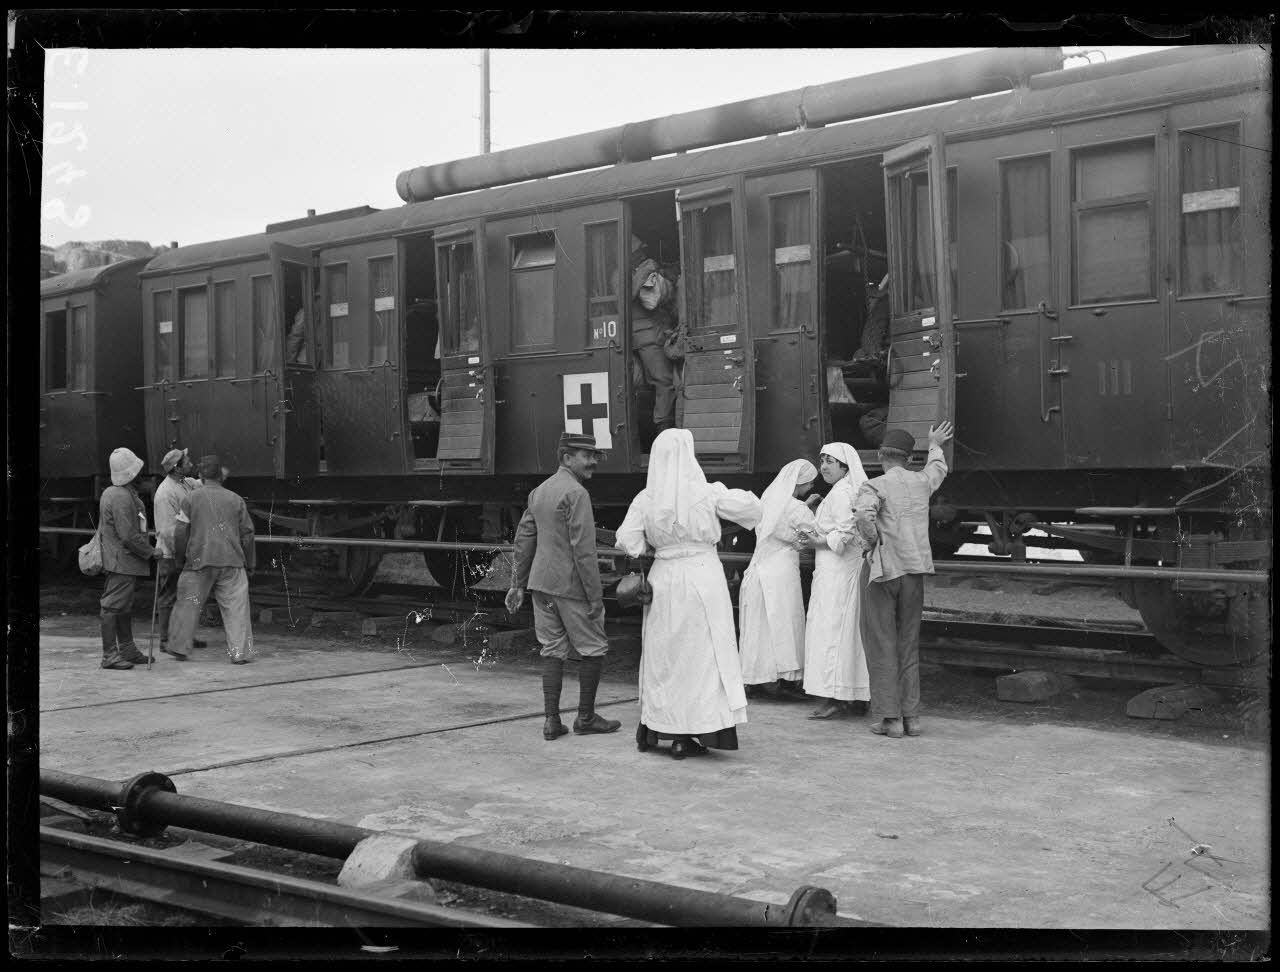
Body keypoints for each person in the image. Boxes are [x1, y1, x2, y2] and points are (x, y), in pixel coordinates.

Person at [615, 428, 763, 760]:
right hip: (702, 576)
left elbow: (629, 540)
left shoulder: (646, 499)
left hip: (665, 577)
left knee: (665, 655)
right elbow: (753, 511)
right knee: (703, 655)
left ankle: (663, 729)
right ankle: (695, 732)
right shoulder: (708, 493)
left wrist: (656, 544)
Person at [507, 432, 620, 741]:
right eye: (587, 455)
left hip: (541, 585)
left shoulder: (539, 492)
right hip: (570, 585)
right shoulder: (577, 493)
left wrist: (518, 584)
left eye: (594, 455)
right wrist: (595, 598)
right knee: (593, 647)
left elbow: (524, 539)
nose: (593, 461)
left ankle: (551, 722)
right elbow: (583, 550)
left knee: (552, 650)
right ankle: (585, 717)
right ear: (567, 458)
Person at [854, 422, 953, 739]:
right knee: (908, 644)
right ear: (909, 459)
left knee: (881, 642)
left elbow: (862, 517)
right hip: (914, 571)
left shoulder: (873, 486)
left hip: (883, 571)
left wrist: (872, 544)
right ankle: (912, 718)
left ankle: (890, 719)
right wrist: (935, 443)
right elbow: (937, 469)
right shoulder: (921, 482)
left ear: (881, 455)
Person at [796, 442, 871, 719]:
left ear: (845, 467)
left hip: (837, 573)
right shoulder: (842, 491)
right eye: (822, 461)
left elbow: (845, 532)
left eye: (830, 461)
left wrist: (818, 540)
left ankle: (835, 695)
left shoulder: (841, 493)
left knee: (832, 631)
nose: (824, 466)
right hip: (837, 570)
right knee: (845, 632)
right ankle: (852, 694)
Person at [737, 459, 819, 700]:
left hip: (761, 566)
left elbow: (778, 524)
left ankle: (755, 678)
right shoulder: (798, 509)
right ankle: (786, 678)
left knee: (759, 624)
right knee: (785, 622)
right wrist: (811, 510)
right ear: (802, 482)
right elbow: (809, 536)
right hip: (782, 569)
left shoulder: (767, 501)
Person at [167, 455, 256, 663]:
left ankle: (180, 648)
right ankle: (240, 653)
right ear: (220, 476)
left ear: (200, 476)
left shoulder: (190, 499)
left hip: (198, 561)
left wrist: (180, 559)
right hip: (231, 562)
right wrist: (250, 562)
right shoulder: (236, 499)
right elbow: (248, 535)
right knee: (237, 609)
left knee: (188, 604)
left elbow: (180, 532)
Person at [97, 447, 163, 670]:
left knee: (121, 606)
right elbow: (128, 535)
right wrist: (151, 551)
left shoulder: (116, 493)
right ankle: (110, 655)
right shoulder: (122, 497)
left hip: (122, 560)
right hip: (123, 561)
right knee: (113, 606)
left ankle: (126, 649)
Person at [153, 448, 207, 657]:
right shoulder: (165, 493)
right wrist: (181, 556)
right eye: (187, 461)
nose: (191, 463)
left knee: (185, 596)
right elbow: (167, 531)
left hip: (185, 550)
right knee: (169, 597)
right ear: (177, 468)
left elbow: (201, 484)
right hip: (172, 553)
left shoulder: (183, 482)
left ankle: (183, 636)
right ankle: (165, 640)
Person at [629, 238, 678, 434]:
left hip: (652, 334)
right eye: (638, 252)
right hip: (647, 337)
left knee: (657, 383)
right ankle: (663, 429)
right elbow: (629, 294)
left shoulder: (643, 271)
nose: (642, 254)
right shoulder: (623, 275)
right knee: (664, 381)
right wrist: (649, 267)